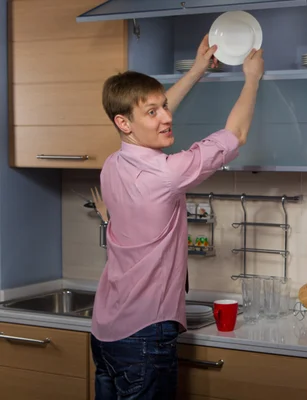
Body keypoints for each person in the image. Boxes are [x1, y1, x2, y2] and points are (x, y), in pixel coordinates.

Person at [90, 34, 264, 399]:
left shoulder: (112, 164)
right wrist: (252, 78)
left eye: (164, 106)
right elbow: (237, 133)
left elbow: (149, 121)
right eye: (153, 112)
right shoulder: (167, 175)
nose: (167, 117)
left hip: (105, 335)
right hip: (144, 338)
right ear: (124, 122)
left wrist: (197, 70)